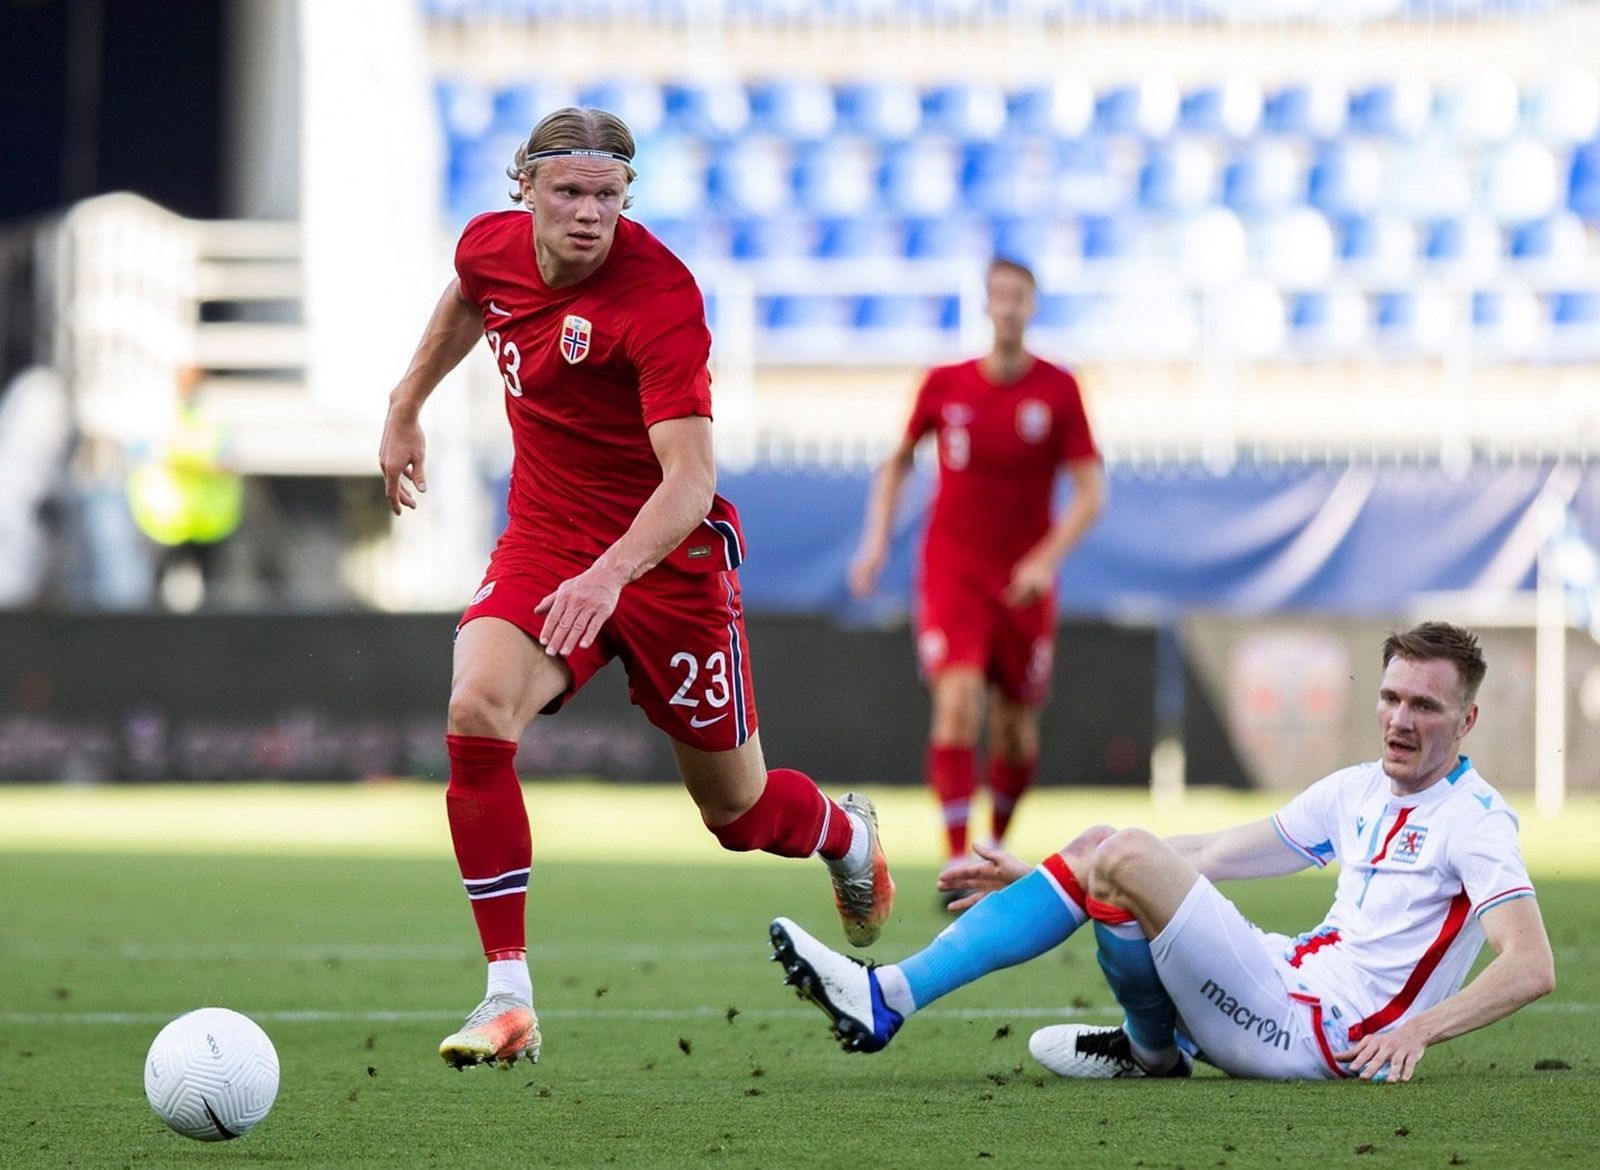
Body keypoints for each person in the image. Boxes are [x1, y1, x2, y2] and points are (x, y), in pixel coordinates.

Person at [378, 107, 894, 1071]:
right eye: (568, 193)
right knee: (478, 706)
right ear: (522, 187)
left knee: (737, 817)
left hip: (666, 562)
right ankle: (509, 995)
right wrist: (406, 405)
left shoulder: (659, 296)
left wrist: (612, 573)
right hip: (545, 536)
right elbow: (464, 299)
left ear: (628, 197)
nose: (587, 214)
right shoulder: (490, 247)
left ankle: (842, 832)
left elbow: (690, 480)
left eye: (607, 196)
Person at [769, 622, 1555, 1083]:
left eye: (1424, 705)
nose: (1400, 718)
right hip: (1279, 977)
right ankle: (1153, 1046)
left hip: (1320, 1035)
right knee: (1106, 852)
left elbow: (1530, 966)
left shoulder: (1476, 822)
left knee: (1124, 854)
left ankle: (890, 1001)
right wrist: (1060, 876)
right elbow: (1212, 852)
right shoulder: (1358, 788)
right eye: (1390, 697)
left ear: (1468, 720)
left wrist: (1423, 1030)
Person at [848, 259, 1104, 896]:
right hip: (953, 569)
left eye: (1019, 297)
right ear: (986, 306)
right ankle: (960, 860)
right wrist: (876, 542)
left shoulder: (1058, 390)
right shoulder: (945, 384)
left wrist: (1045, 559)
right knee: (957, 703)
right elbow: (896, 465)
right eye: (999, 296)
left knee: (1016, 729)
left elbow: (1091, 492)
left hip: (1022, 580)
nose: (1008, 308)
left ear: (1033, 306)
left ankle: (995, 845)